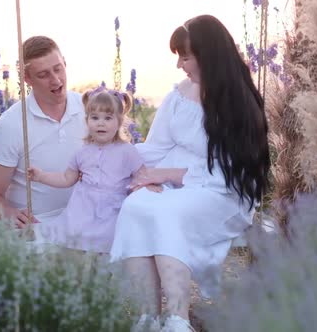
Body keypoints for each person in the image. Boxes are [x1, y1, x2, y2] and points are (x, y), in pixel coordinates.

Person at [110, 15, 270, 331]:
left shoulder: (238, 102)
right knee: (136, 206)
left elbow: (231, 171)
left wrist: (167, 174)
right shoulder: (179, 95)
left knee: (169, 213)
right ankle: (148, 316)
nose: (180, 65)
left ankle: (177, 318)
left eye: (185, 56)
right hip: (175, 184)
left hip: (223, 192)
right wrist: (119, 159)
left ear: (207, 54)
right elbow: (156, 147)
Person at [0, 36, 86, 231]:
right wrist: (9, 213)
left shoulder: (89, 109)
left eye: (58, 68)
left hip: (87, 219)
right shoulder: (11, 124)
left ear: (65, 63)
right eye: (43, 74)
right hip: (38, 226)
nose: (55, 80)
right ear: (26, 78)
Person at [27, 88, 148, 253]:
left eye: (108, 118)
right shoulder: (82, 152)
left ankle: (101, 265)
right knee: (74, 240)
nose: (100, 123)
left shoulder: (127, 151)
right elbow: (66, 178)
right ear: (87, 120)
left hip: (112, 210)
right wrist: (41, 176)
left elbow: (143, 176)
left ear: (119, 122)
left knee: (109, 239)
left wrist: (147, 185)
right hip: (83, 209)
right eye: (95, 117)